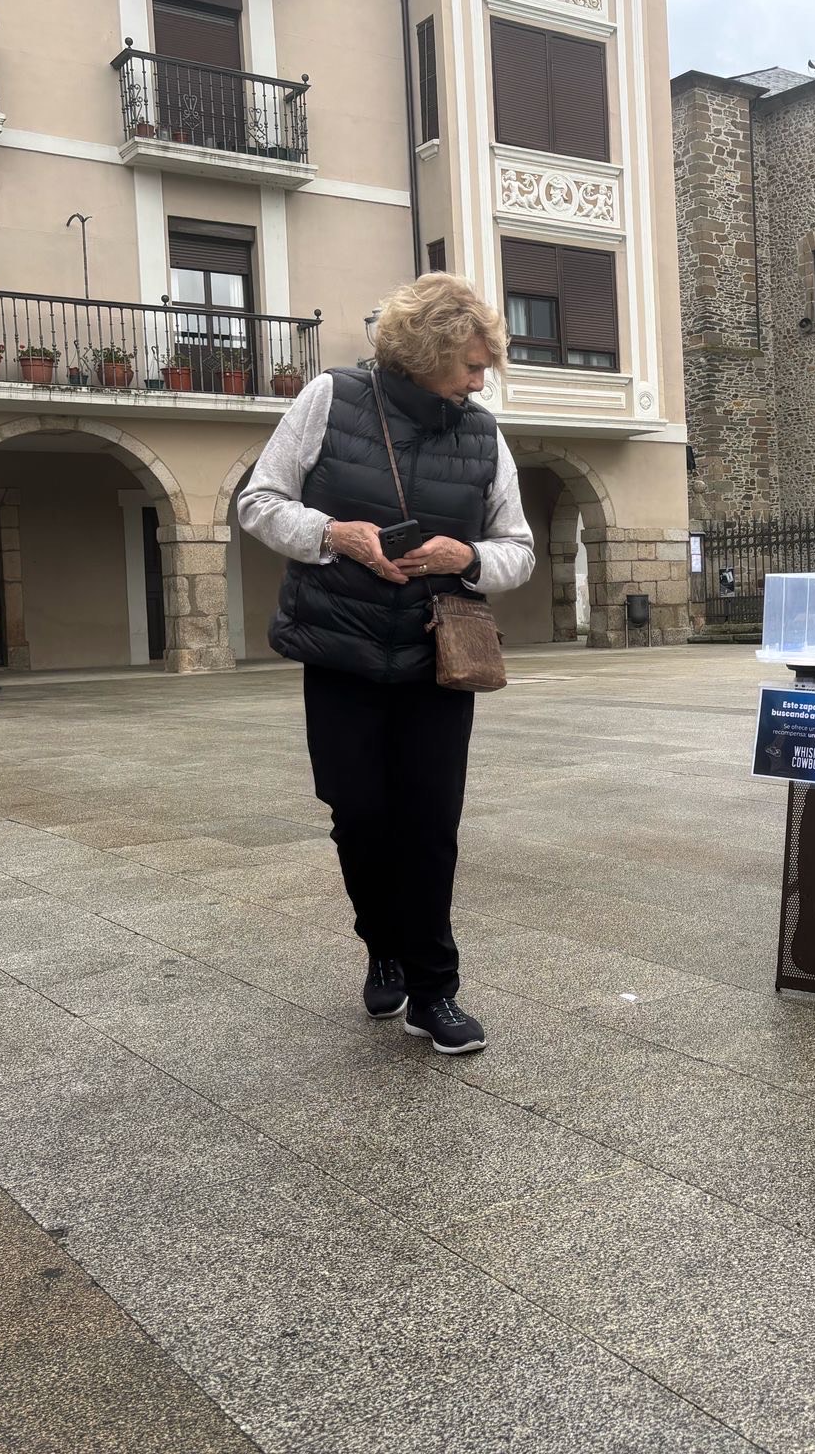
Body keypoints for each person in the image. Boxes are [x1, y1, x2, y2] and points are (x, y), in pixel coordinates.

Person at [239, 273, 533, 1055]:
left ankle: (434, 990)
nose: (481, 380)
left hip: (439, 656)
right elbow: (260, 502)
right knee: (359, 817)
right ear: (428, 350)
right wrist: (334, 534)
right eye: (471, 365)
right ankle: (384, 947)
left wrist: (465, 555)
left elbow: (518, 550)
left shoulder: (483, 432)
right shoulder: (329, 400)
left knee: (430, 827)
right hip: (339, 649)